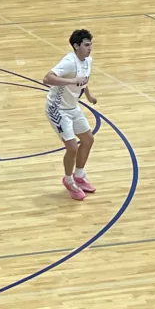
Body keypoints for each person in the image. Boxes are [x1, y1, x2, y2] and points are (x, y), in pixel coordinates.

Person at [42, 28, 97, 199]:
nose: (90, 48)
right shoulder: (69, 62)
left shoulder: (88, 61)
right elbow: (47, 78)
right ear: (76, 46)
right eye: (86, 45)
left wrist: (88, 95)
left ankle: (79, 176)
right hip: (57, 109)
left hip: (73, 107)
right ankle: (68, 180)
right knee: (72, 147)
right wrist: (70, 80)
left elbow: (83, 78)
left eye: (90, 45)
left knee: (88, 139)